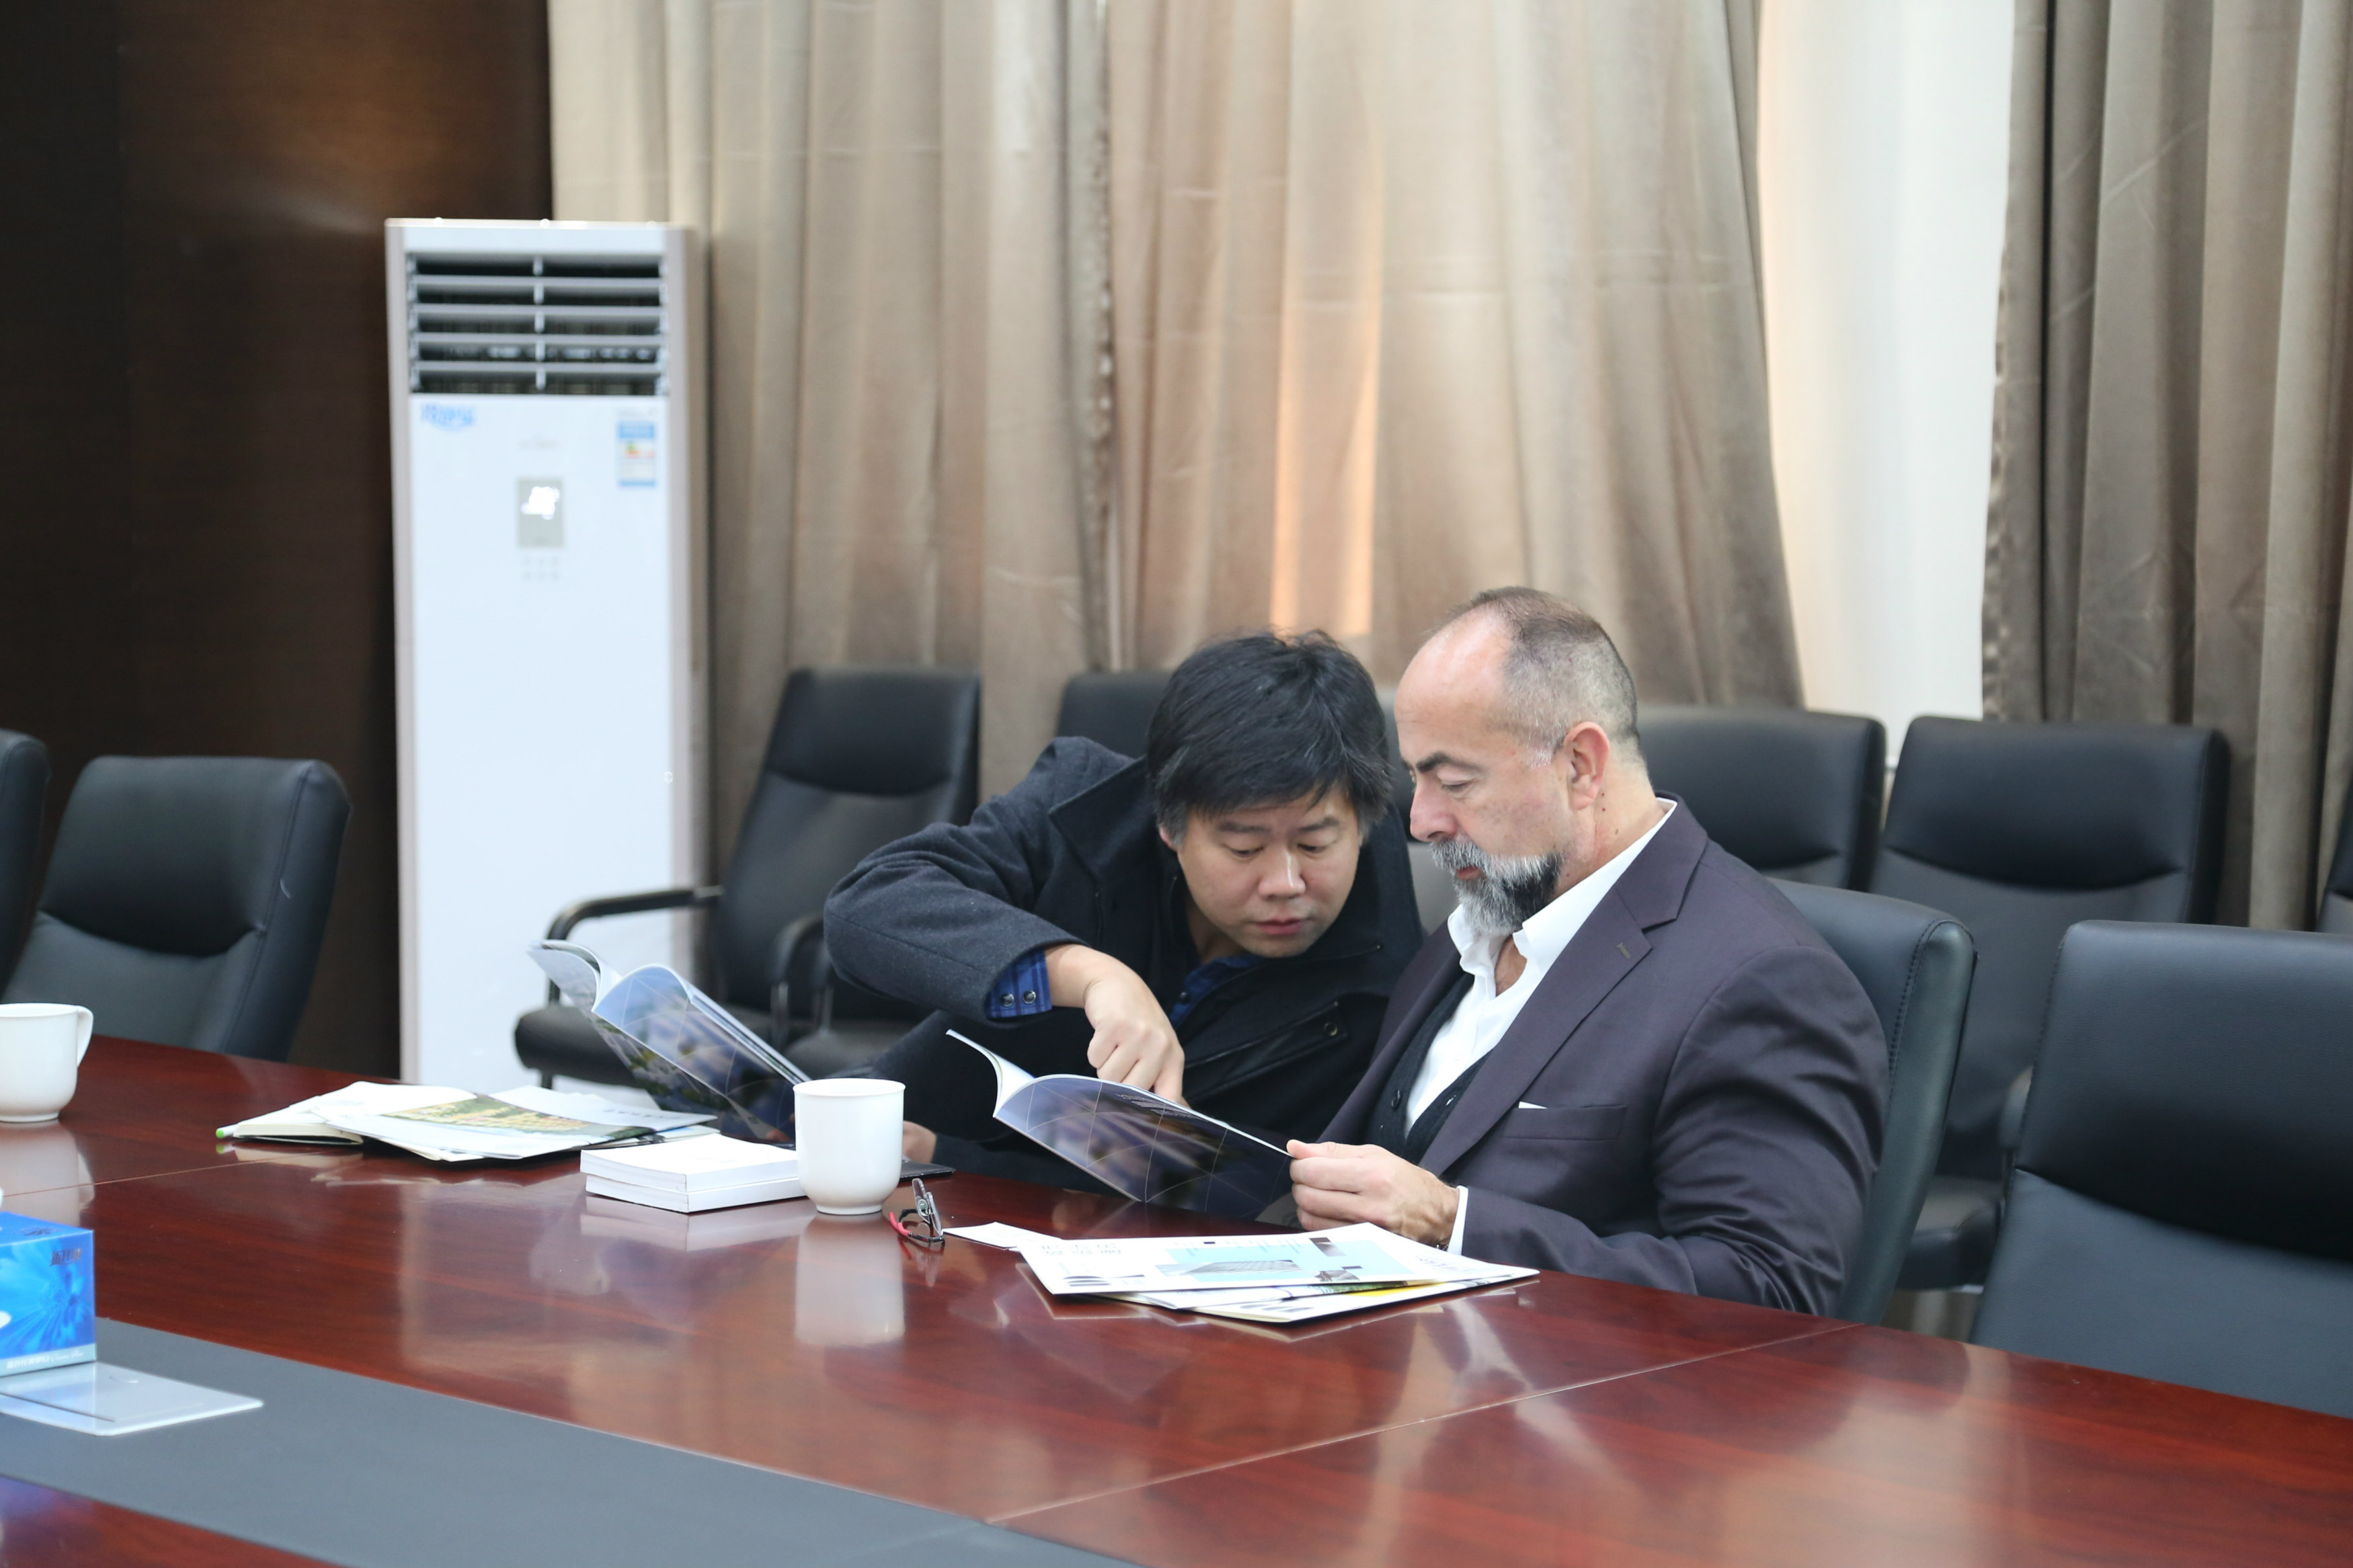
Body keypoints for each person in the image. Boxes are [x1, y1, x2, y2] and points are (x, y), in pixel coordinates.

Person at [1285, 588, 1885, 1313]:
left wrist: (1455, 1224)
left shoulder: (1762, 980)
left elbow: (1771, 1291)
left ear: (1579, 765)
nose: (1422, 821)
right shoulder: (1476, 919)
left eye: (1454, 781)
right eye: (1416, 778)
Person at [823, 631, 1423, 1189]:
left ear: (1364, 823)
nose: (1285, 883)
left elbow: (1250, 1192)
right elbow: (870, 903)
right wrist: (1088, 975)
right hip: (881, 1154)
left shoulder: (1394, 977)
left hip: (1076, 1225)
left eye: (1315, 845)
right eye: (1244, 848)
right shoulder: (1086, 813)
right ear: (1170, 826)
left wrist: (954, 1157)